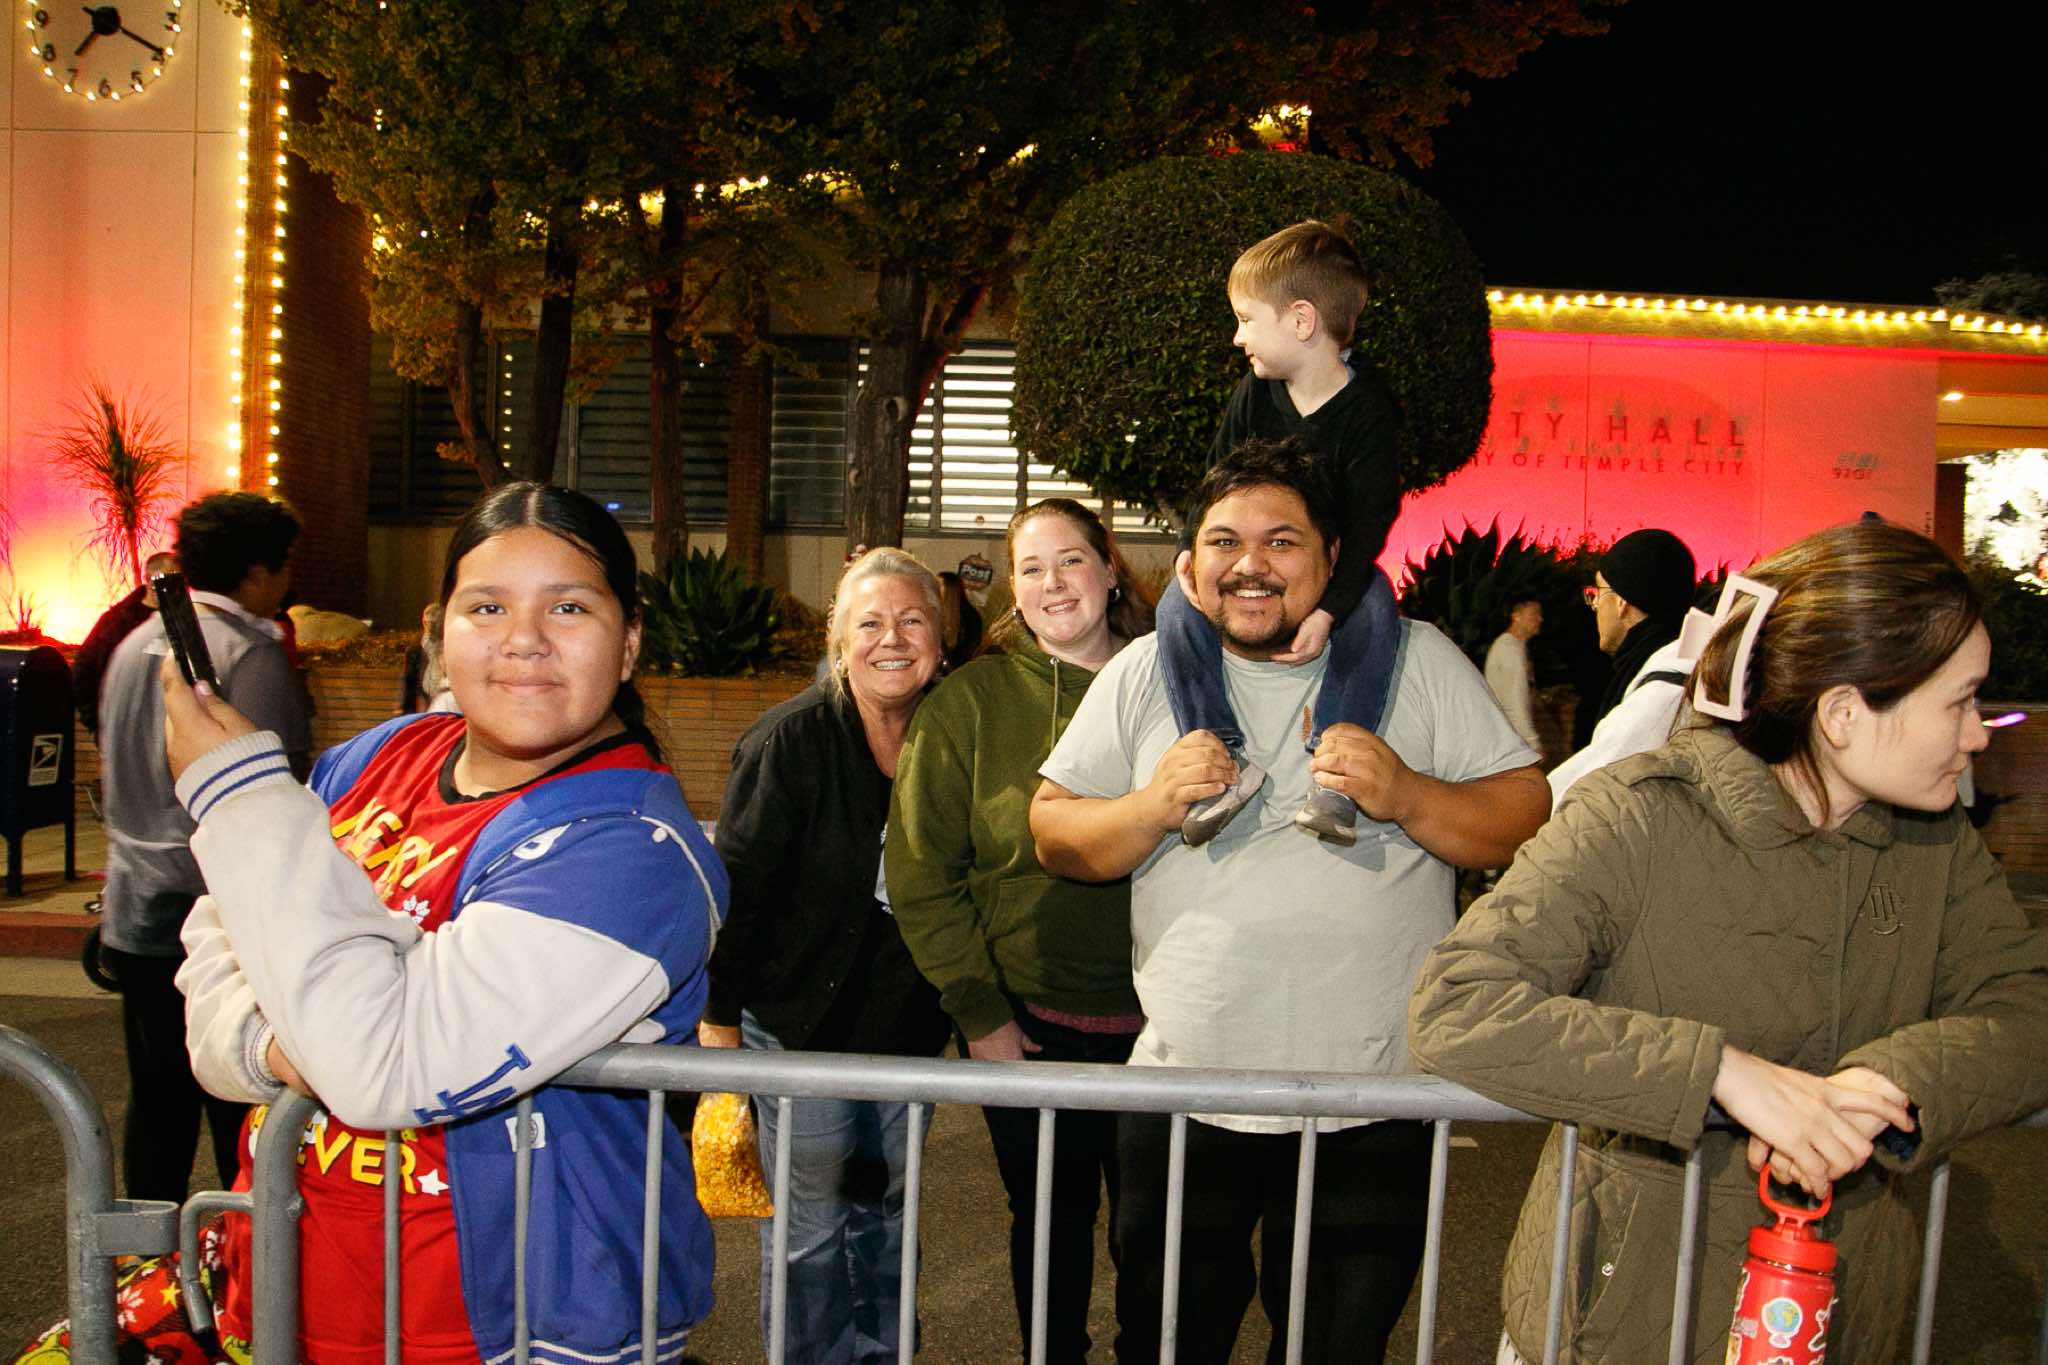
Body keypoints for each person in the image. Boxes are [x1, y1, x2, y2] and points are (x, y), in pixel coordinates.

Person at [1409, 520, 2048, 1364]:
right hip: (1622, 1325)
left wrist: (1893, 1082)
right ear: (1844, 712)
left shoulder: (1936, 843)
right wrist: (1718, 1074)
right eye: (1959, 701)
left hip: (1841, 1322)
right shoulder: (1637, 814)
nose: (1978, 733)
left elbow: (2024, 1005)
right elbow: (1459, 1002)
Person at [169, 482, 725, 1363]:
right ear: (438, 631)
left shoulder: (635, 851)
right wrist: (282, 1045)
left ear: (628, 642)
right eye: (488, 606)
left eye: (569, 607)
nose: (524, 639)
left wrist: (239, 798)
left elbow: (383, 1064)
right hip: (298, 1296)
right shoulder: (375, 758)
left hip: (513, 1332)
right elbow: (217, 939)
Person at [1030, 438, 1548, 1364]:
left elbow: (1523, 812)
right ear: (1190, 563)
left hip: (1372, 1103)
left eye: (1282, 541)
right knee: (1165, 1344)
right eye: (1225, 542)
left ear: (1333, 557)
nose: (1251, 566)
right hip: (1186, 1097)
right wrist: (1149, 807)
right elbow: (1054, 831)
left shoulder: (1418, 660)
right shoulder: (1144, 671)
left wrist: (1409, 795)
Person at [888, 498, 1158, 1363]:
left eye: (1071, 559)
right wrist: (980, 1012)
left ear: (1110, 567)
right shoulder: (971, 702)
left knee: (1159, 1234)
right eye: (1032, 567)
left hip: (1168, 1029)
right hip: (1032, 1024)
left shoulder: (1176, 684)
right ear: (1013, 586)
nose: (1053, 583)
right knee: (1051, 1224)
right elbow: (922, 872)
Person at [701, 547, 953, 1364]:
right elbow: (738, 892)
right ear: (840, 642)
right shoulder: (791, 740)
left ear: (940, 636)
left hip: (905, 1031)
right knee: (810, 1233)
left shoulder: (956, 732)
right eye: (869, 622)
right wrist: (718, 1024)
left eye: (911, 619)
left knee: (888, 1224)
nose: (892, 638)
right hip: (799, 1029)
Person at [1155, 219, 1404, 847]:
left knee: (1377, 608)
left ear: (1301, 320)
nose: (1237, 337)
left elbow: (1370, 523)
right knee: (1175, 607)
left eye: (1246, 319)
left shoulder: (1370, 410)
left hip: (1334, 564)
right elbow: (1215, 479)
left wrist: (1330, 608)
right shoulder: (1254, 393)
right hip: (1256, 566)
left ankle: (1337, 775)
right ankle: (1222, 760)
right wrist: (1190, 551)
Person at [96, 496, 309, 1206]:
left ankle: (148, 1251)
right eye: (283, 566)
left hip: (135, 901)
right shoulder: (248, 652)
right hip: (218, 910)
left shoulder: (134, 644)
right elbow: (275, 788)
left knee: (156, 1096)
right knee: (236, 1099)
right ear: (256, 571)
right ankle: (243, 1252)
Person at [1548, 528, 1701, 810]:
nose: (1595, 604)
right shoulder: (1679, 666)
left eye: (1598, 592)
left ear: (1622, 602)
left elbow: (1587, 783)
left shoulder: (1665, 687)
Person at [71, 550, 177, 736]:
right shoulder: (117, 622)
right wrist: (98, 724)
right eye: (169, 580)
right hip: (125, 728)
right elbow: (84, 669)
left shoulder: (181, 619)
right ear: (149, 581)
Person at [1483, 593, 1543, 752]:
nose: (1540, 619)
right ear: (1516, 616)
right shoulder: (1509, 649)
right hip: (1511, 741)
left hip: (1508, 738)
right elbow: (1515, 699)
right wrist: (1532, 741)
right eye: (1534, 614)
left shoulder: (1515, 646)